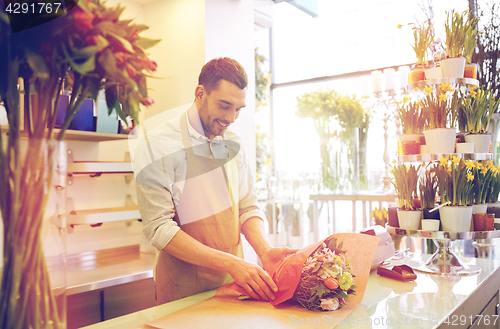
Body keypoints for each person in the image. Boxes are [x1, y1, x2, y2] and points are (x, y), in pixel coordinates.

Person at [134, 57, 296, 304]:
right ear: (200, 93)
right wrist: (232, 263)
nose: (231, 117)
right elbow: (159, 228)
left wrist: (265, 251)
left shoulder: (235, 143)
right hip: (182, 293)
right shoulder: (156, 144)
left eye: (238, 109)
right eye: (224, 105)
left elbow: (247, 207)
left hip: (236, 288)